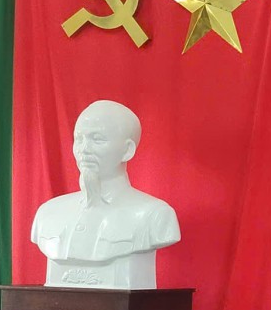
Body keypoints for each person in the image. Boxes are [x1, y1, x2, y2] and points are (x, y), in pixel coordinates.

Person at [32, 100, 181, 289]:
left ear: (127, 150)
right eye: (79, 139)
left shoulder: (155, 214)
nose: (84, 149)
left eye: (97, 139)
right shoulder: (48, 212)